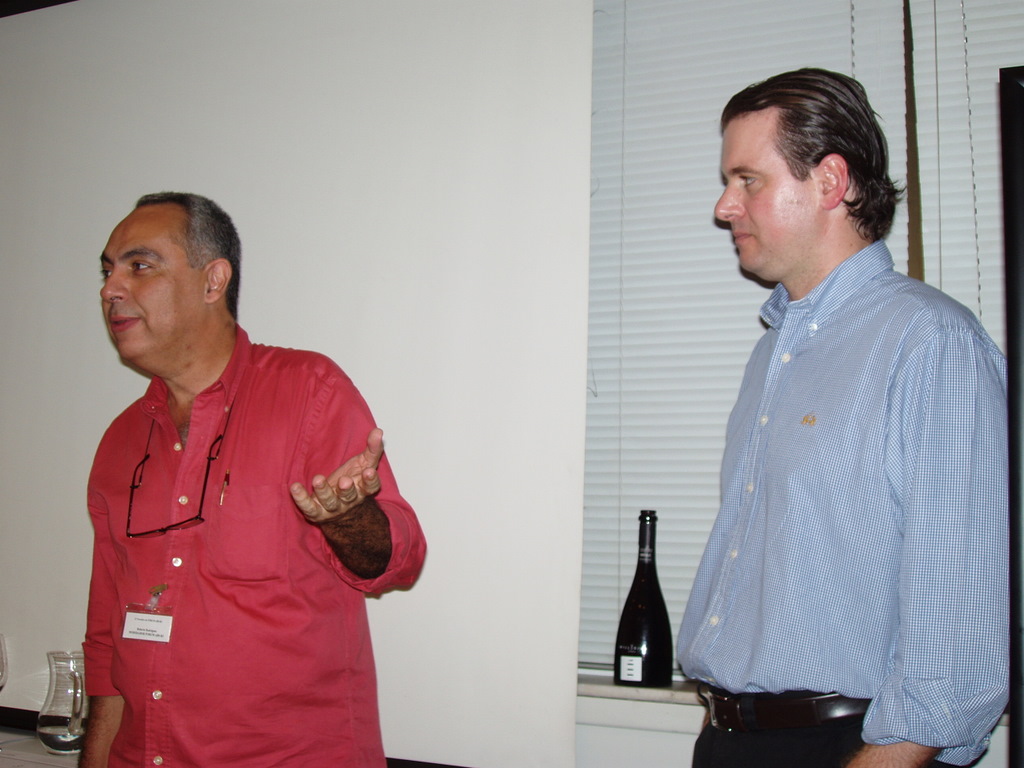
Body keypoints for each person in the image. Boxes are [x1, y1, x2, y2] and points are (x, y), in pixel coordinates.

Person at [677, 69, 1008, 768]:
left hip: (850, 747)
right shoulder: (772, 355)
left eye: (747, 179)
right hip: (735, 741)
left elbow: (957, 635)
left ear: (830, 181)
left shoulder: (931, 343)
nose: (724, 206)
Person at [80, 192, 427, 768]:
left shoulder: (308, 390)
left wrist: (347, 517)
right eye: (107, 271)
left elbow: (397, 562)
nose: (111, 289)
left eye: (140, 266)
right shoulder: (120, 441)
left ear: (213, 281)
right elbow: (106, 641)